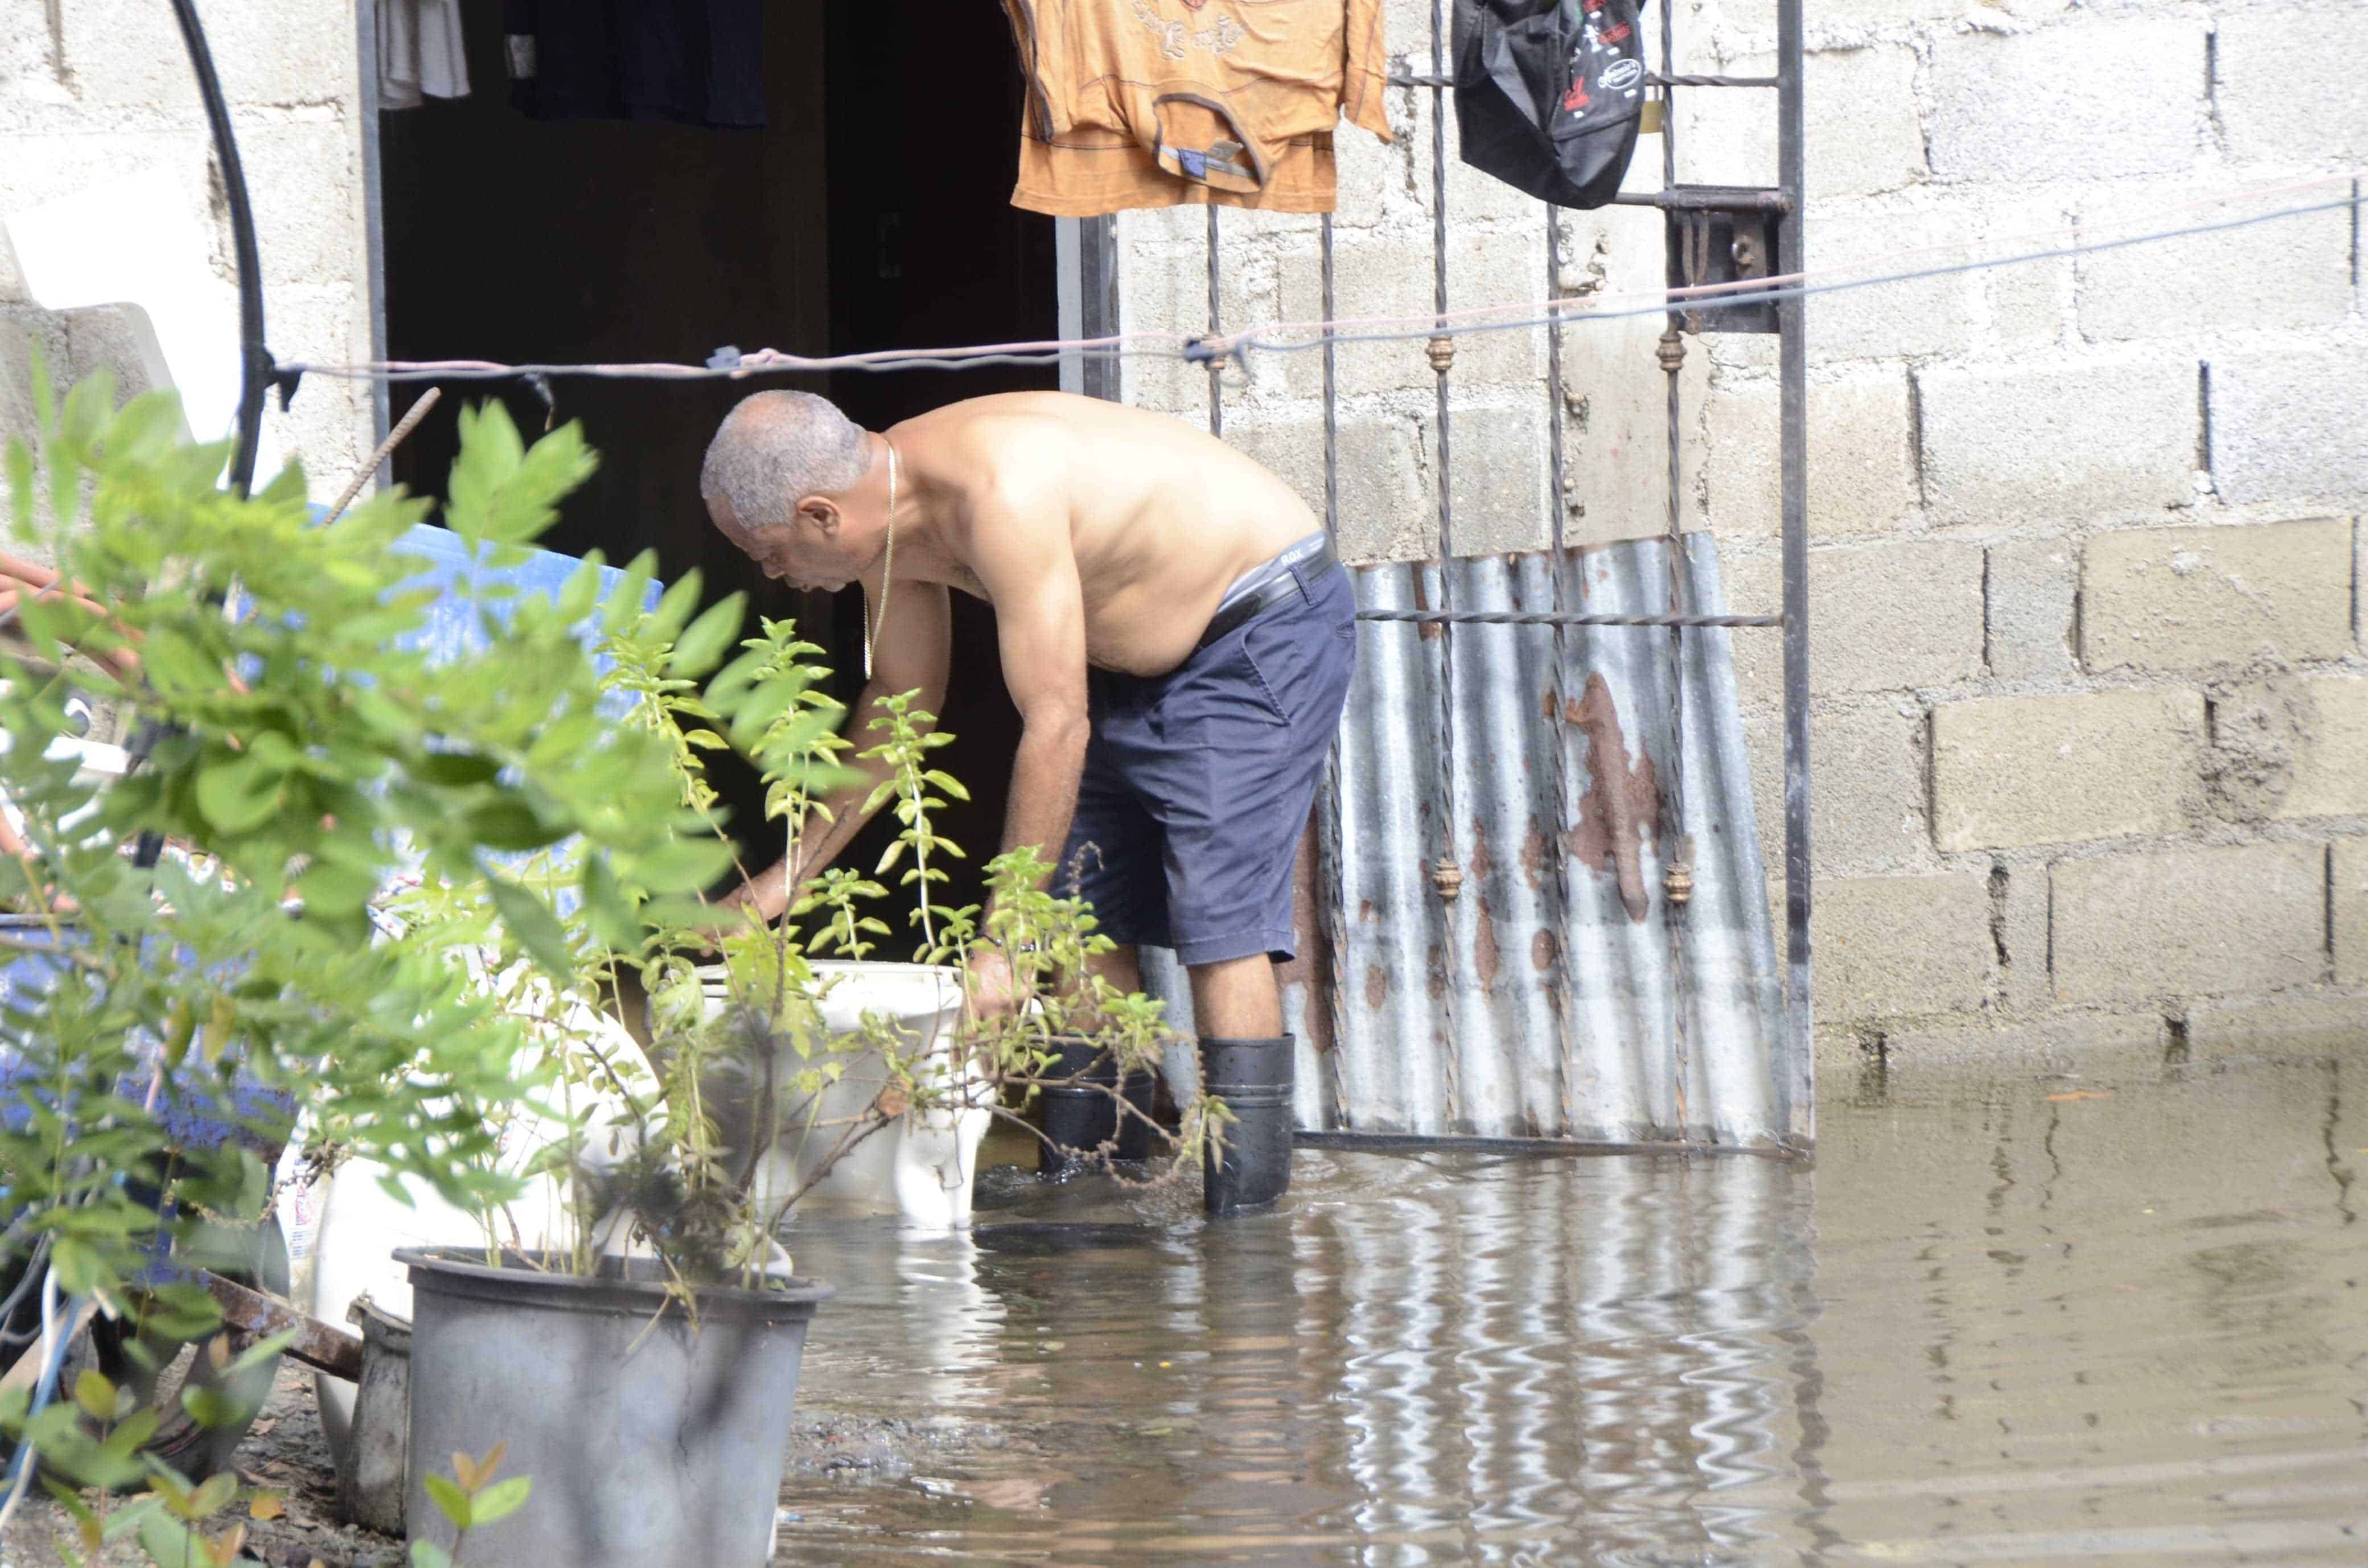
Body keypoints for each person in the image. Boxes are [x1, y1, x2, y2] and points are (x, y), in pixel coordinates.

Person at [700, 389, 1355, 1211]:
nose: (778, 578)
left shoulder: (997, 489)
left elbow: (1055, 723)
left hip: (1253, 625)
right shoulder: (895, 522)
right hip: (1120, 663)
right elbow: (901, 702)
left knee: (1217, 921)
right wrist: (779, 884)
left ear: (821, 515)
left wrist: (998, 948)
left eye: (770, 553)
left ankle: (1248, 1225)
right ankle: (1085, 1195)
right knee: (1078, 914)